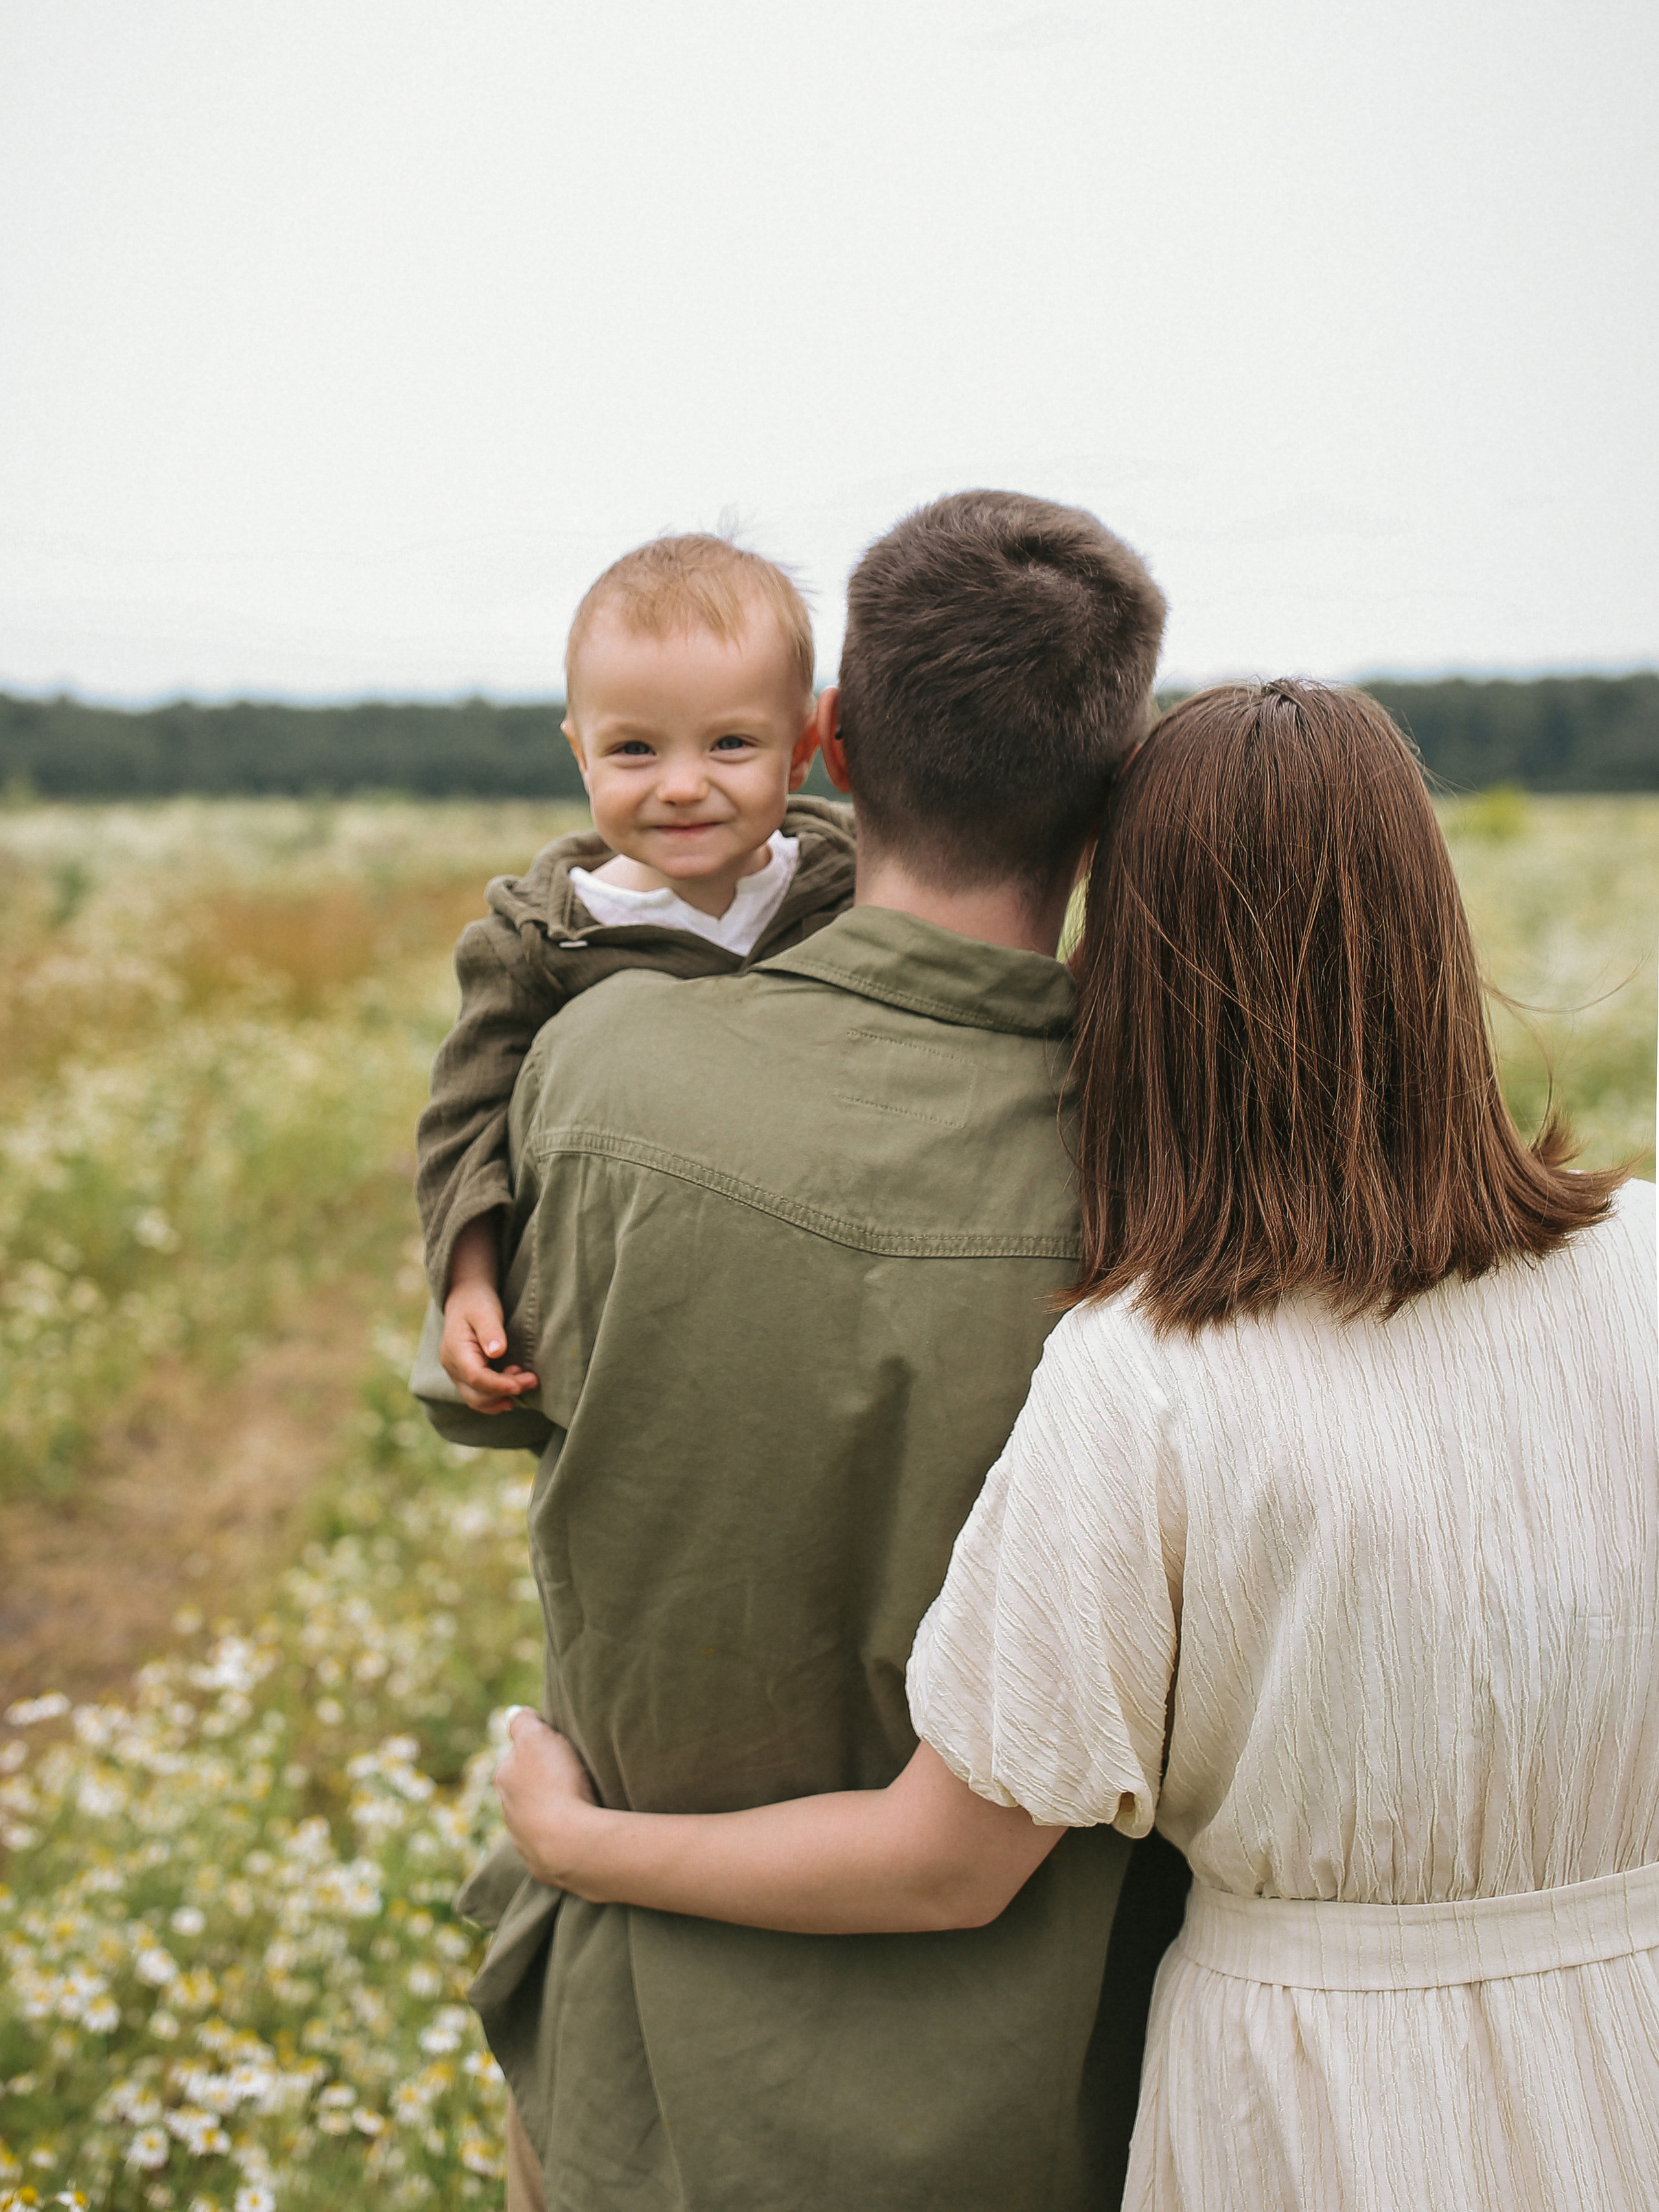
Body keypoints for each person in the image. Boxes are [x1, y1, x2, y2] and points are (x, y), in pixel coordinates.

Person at [494, 681, 1658, 2211]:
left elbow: (945, 1861)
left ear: (1137, 961)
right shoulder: (1643, 1261)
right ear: (1433, 923)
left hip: (1305, 2105)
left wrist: (581, 1850)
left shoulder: (1146, 1375)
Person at [417, 491, 1183, 2211]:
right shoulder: (1176, 1186)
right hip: (1041, 2111)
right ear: (1114, 778)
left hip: (650, 2087)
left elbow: (498, 1391)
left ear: (829, 738)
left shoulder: (600, 1073)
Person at [415, 532, 856, 1417]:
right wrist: (468, 1282)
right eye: (635, 751)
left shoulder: (850, 888)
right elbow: (465, 1117)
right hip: (635, 1325)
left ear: (801, 747)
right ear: (581, 754)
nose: (683, 785)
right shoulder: (543, 939)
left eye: (730, 742)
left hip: (818, 1309)